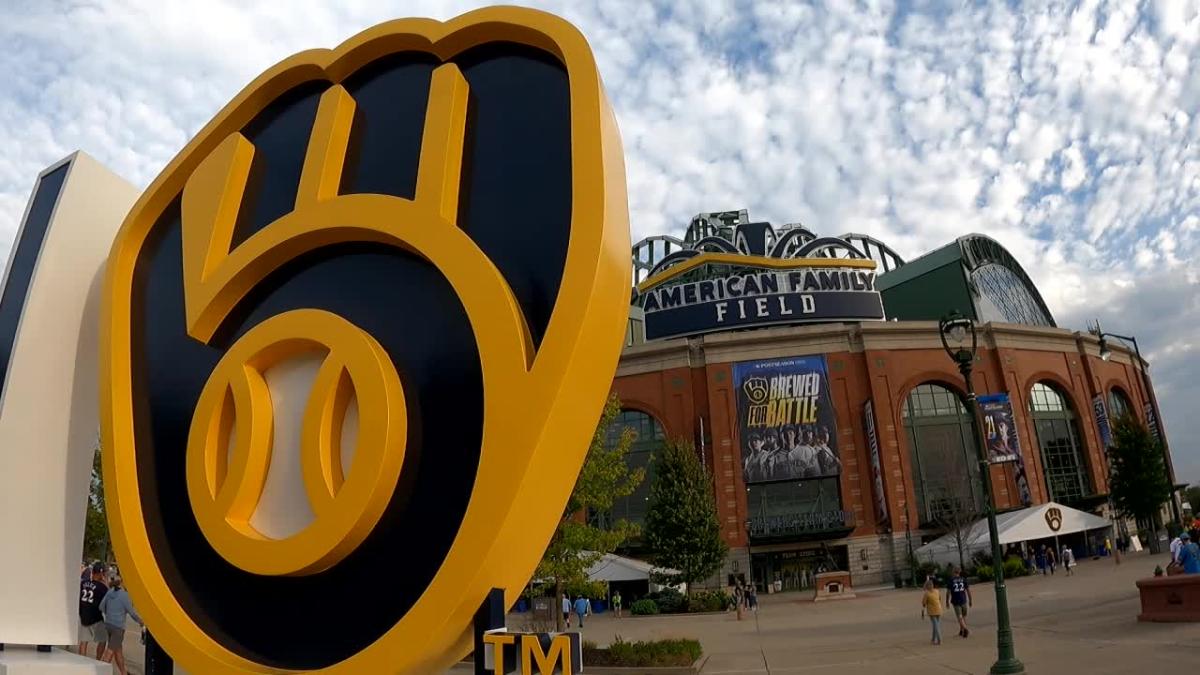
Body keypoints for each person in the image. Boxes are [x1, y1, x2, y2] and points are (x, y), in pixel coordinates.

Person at [99, 577, 143, 675]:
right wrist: (141, 621)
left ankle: (123, 672)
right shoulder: (125, 596)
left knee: (118, 651)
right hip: (118, 628)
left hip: (108, 624)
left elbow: (101, 606)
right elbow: (132, 613)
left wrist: (109, 614)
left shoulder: (110, 592)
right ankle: (101, 672)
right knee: (109, 653)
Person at [78, 562, 109, 661]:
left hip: (83, 615)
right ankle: (98, 660)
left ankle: (82, 662)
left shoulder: (83, 583)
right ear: (100, 573)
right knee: (103, 639)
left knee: (84, 641)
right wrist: (105, 582)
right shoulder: (102, 587)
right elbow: (108, 599)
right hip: (95, 617)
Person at [946, 567, 972, 638]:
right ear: (959, 572)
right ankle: (962, 630)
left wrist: (947, 602)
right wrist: (970, 600)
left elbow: (948, 592)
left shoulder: (951, 580)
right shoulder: (963, 579)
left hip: (955, 600)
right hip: (963, 600)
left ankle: (965, 629)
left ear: (954, 572)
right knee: (963, 616)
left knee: (959, 617)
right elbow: (968, 591)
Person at [920, 578, 943, 645]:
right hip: (939, 609)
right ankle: (933, 639)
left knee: (936, 626)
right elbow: (939, 599)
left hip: (932, 611)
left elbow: (924, 603)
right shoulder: (937, 591)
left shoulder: (927, 594)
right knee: (936, 625)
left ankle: (939, 640)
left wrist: (923, 612)